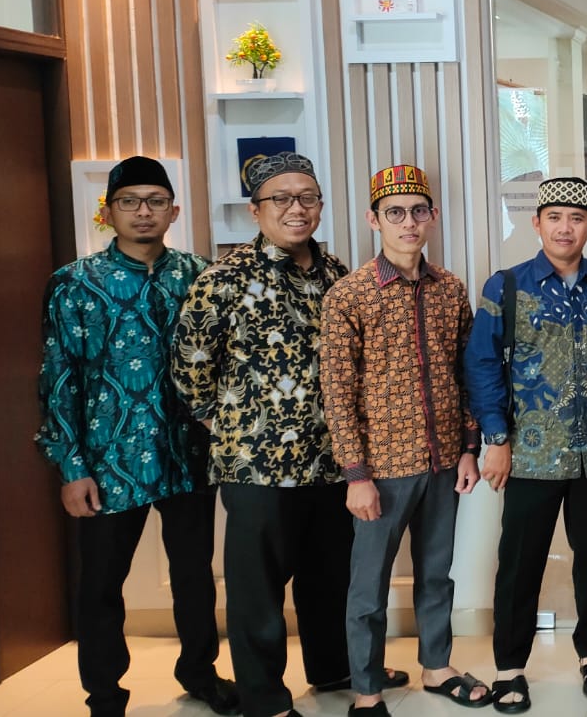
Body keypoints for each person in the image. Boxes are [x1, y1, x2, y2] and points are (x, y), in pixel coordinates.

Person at [172, 152, 396, 717]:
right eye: (282, 198)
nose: (297, 208)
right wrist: (229, 425)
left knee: (330, 576)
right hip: (256, 465)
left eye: (308, 197)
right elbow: (191, 368)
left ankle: (334, 667)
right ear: (256, 209)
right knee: (259, 591)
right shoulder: (223, 279)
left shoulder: (337, 274)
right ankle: (265, 699)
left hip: (333, 460)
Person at [35, 156, 238, 717]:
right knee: (102, 583)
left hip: (189, 456)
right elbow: (58, 378)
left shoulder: (199, 276)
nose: (143, 212)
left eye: (155, 201)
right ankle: (104, 696)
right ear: (109, 211)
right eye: (129, 201)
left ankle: (200, 672)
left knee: (194, 576)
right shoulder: (74, 283)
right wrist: (71, 468)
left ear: (174, 211)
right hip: (109, 461)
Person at [319, 164, 488, 716]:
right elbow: (337, 391)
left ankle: (436, 667)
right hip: (381, 469)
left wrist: (469, 448)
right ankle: (367, 690)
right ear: (374, 220)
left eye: (418, 211)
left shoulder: (450, 289)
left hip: (444, 462)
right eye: (395, 212)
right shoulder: (349, 295)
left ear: (432, 216)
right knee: (368, 587)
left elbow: (467, 373)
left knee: (436, 574)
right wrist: (356, 475)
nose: (408, 222)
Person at [466, 176, 587, 714]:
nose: (566, 228)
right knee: (520, 564)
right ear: (537, 223)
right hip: (529, 454)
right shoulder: (507, 287)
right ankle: (510, 667)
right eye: (555, 218)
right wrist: (496, 439)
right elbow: (482, 365)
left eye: (577, 219)